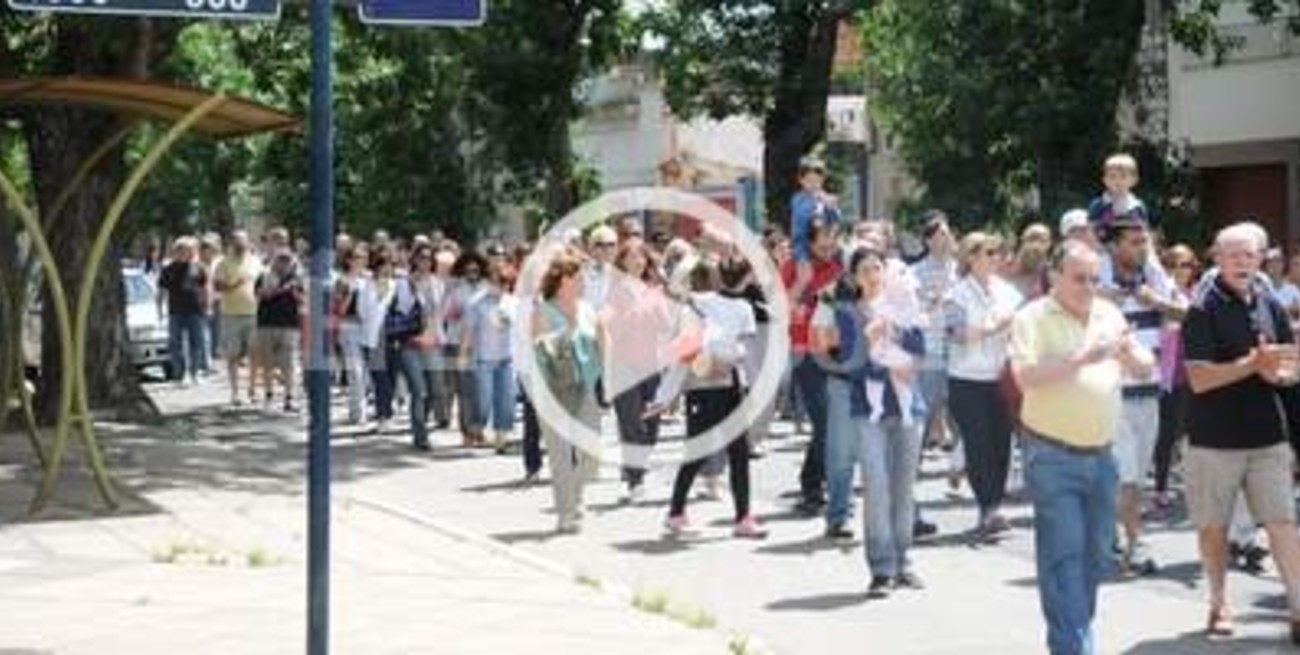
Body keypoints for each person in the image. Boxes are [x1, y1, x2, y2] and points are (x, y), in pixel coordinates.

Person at [1010, 239, 1154, 655]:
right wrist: (1083, 358)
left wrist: (1131, 356)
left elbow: (1144, 365)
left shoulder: (1109, 312)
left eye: (1094, 278)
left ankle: (1075, 637)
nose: (1089, 286)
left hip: (1102, 455)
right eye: (1079, 278)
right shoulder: (1032, 317)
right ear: (1054, 276)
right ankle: (1073, 647)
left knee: (1095, 558)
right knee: (1063, 555)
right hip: (1051, 454)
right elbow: (1025, 378)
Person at [1182, 222, 1300, 643]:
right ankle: (1219, 605)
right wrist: (1253, 364)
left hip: (1269, 437)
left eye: (1249, 255)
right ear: (1217, 258)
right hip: (1213, 441)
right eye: (1233, 255)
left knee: (1282, 524)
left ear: (1261, 259)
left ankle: (1298, 608)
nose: (1242, 262)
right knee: (1213, 528)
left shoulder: (1271, 303)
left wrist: (1281, 374)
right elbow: (1199, 379)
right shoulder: (1202, 308)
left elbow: (1289, 368)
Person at [653, 259, 766, 540]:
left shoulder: (709, 302)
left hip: (718, 385)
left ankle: (740, 516)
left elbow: (738, 350)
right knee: (712, 452)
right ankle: (678, 513)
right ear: (747, 277)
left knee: (730, 451)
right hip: (713, 384)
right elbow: (745, 353)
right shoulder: (728, 306)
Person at [1099, 220, 1185, 575]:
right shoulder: (1096, 278)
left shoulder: (1154, 277)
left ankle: (1109, 537)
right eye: (1134, 242)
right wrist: (1101, 298)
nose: (1142, 248)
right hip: (1111, 393)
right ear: (1114, 246)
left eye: (1144, 242)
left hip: (1150, 391)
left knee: (1134, 474)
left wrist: (1155, 300)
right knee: (1128, 476)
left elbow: (1188, 315)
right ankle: (1135, 545)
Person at [944, 232, 1022, 536]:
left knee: (1002, 444)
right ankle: (988, 507)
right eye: (988, 253)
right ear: (970, 257)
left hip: (1001, 377)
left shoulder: (1008, 291)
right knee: (978, 444)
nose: (995, 258)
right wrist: (994, 326)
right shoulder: (956, 293)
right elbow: (956, 334)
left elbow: (1021, 328)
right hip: (967, 379)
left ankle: (994, 505)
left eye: (997, 252)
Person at [532, 251, 603, 534]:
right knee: (560, 455)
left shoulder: (587, 308)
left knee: (592, 454)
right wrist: (568, 329)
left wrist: (604, 375)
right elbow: (539, 347)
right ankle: (565, 512)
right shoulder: (543, 310)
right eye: (579, 277)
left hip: (584, 387)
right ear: (564, 280)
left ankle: (576, 493)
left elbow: (599, 343)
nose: (583, 282)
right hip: (553, 389)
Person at [781, 220, 842, 515]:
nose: (829, 245)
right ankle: (812, 485)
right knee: (825, 422)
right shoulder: (795, 266)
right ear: (810, 241)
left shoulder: (840, 267)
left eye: (834, 238)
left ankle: (820, 480)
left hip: (836, 353)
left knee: (834, 423)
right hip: (805, 353)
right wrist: (803, 282)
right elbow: (782, 309)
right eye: (824, 239)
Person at [606, 237, 668, 501]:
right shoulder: (616, 292)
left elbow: (666, 325)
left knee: (651, 427)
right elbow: (609, 327)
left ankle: (635, 464)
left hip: (651, 365)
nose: (638, 261)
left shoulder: (653, 290)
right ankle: (635, 480)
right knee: (632, 425)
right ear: (622, 262)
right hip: (623, 365)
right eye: (632, 256)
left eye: (641, 256)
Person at [1152, 244, 1198, 511]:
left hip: (1195, 371)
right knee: (1167, 433)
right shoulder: (1163, 292)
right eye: (1177, 264)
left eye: (1188, 264)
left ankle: (1192, 484)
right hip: (1169, 372)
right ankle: (1160, 487)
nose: (1183, 270)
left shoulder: (1196, 293)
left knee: (1192, 431)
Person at [910, 213, 958, 453]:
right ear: (928, 240)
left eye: (948, 234)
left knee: (959, 409)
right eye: (941, 234)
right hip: (931, 347)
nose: (947, 238)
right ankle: (911, 461)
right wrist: (930, 300)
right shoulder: (915, 271)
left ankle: (962, 463)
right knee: (927, 406)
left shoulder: (961, 269)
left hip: (960, 347)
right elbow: (912, 309)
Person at [461, 258, 518, 453]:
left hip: (507, 359)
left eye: (505, 282)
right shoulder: (477, 302)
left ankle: (501, 439)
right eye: (498, 281)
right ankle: (474, 427)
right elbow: (468, 331)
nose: (502, 286)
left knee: (506, 400)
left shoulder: (513, 302)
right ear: (489, 280)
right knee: (483, 402)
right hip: (484, 359)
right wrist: (462, 356)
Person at [213, 230, 262, 406]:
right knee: (233, 355)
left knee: (254, 354)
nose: (240, 245)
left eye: (242, 242)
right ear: (231, 243)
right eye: (236, 242)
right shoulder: (223, 263)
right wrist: (233, 285)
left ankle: (252, 389)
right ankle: (235, 393)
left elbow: (261, 284)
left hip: (253, 313)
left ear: (248, 242)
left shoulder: (256, 261)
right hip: (231, 314)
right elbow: (217, 286)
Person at [254, 249, 304, 412]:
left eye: (287, 260)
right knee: (267, 363)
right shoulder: (264, 276)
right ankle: (269, 396)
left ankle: (289, 398)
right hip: (267, 324)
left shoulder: (297, 279)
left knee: (289, 364)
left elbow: (303, 300)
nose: (283, 264)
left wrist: (295, 291)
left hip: (290, 325)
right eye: (280, 260)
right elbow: (261, 295)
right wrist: (281, 288)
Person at [157, 237, 209, 386]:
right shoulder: (168, 269)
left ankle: (194, 373)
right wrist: (159, 310)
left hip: (195, 311)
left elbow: (204, 289)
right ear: (178, 251)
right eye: (187, 250)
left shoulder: (198, 268)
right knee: (175, 344)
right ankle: (179, 376)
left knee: (196, 343)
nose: (191, 253)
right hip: (175, 311)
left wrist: (206, 306)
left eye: (192, 250)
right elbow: (161, 290)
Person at [332, 243, 374, 426]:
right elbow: (340, 309)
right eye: (357, 257)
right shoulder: (342, 281)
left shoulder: (370, 278)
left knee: (367, 373)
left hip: (369, 328)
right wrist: (350, 290)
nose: (361, 261)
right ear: (349, 260)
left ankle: (357, 409)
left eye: (364, 257)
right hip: (349, 326)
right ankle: (359, 412)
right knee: (355, 371)